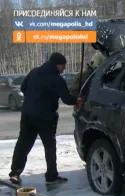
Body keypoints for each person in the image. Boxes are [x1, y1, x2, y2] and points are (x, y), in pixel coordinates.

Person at [8, 52, 77, 186]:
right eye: (63, 66)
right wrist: (78, 99)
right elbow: (67, 99)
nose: (64, 69)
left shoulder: (34, 72)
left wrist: (33, 99)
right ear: (57, 65)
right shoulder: (57, 79)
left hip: (27, 114)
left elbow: (23, 87)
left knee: (23, 144)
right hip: (46, 118)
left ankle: (15, 173)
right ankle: (51, 177)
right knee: (49, 147)